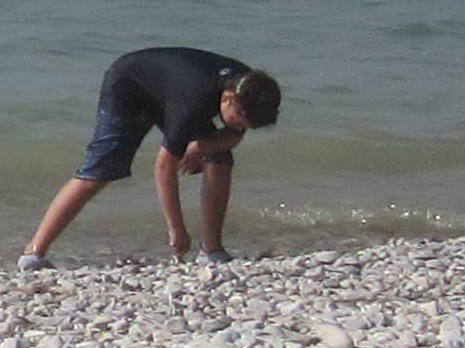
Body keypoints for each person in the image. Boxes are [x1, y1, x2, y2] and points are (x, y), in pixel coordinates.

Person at [17, 49, 280, 268]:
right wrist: (176, 229)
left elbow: (233, 134)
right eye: (242, 121)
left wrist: (201, 147)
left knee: (220, 158)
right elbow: (164, 165)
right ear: (228, 99)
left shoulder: (251, 88)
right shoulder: (194, 101)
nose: (243, 128)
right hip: (128, 86)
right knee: (99, 171)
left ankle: (212, 249)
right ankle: (34, 252)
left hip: (170, 89)